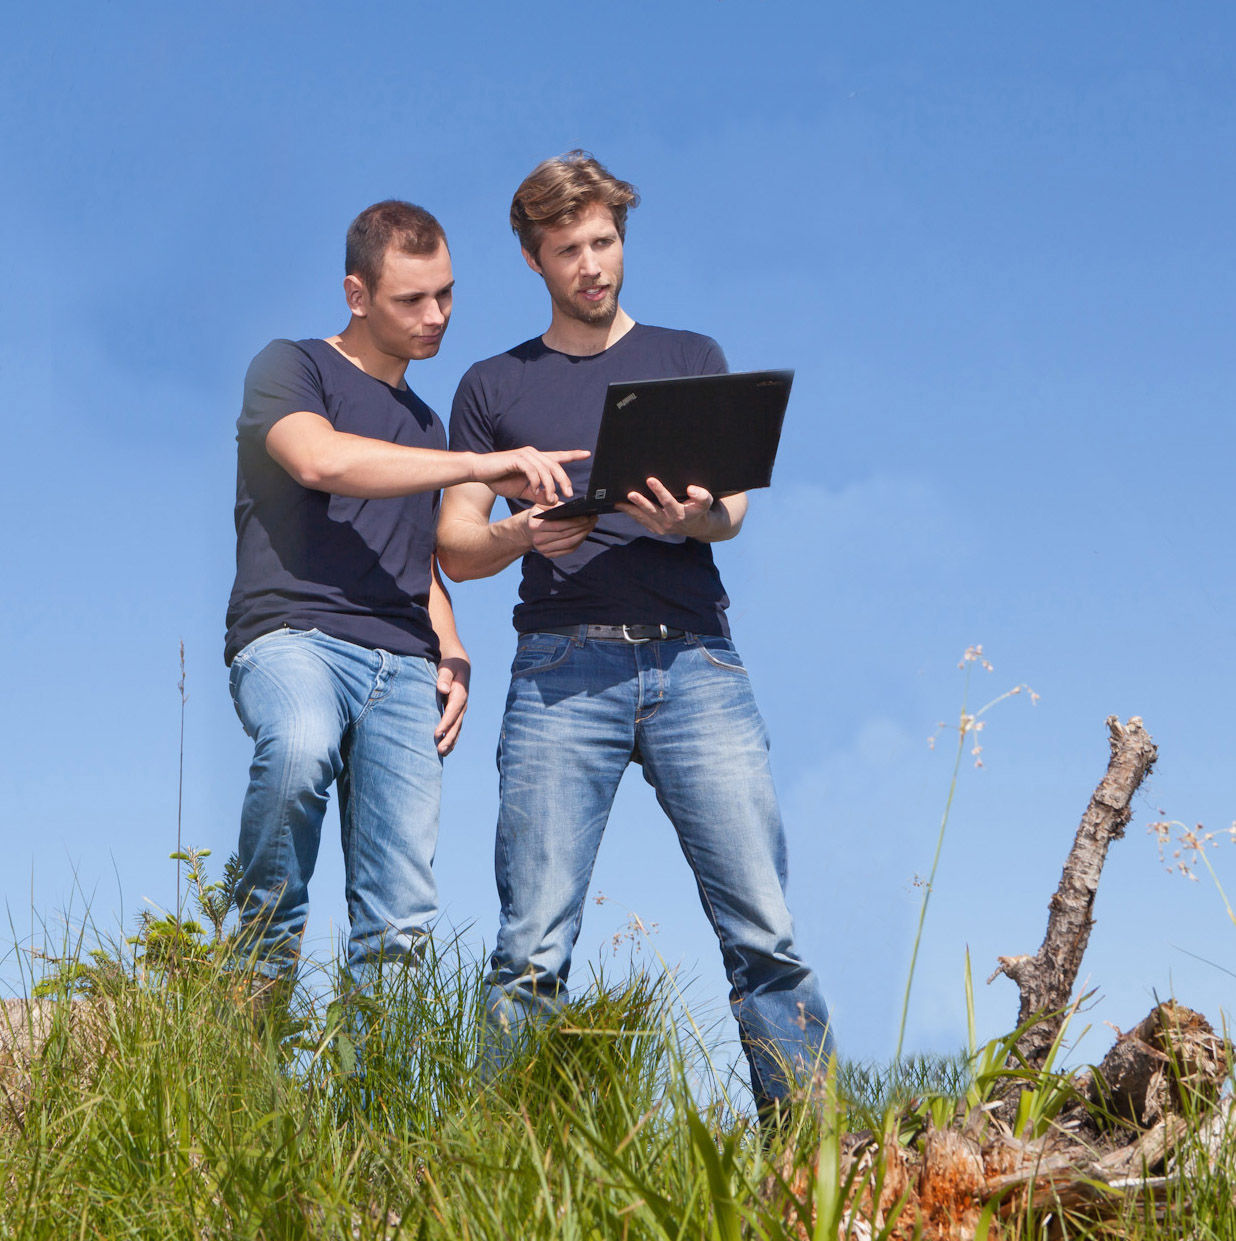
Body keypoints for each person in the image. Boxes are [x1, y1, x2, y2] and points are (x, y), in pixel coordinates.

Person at [437, 153, 834, 1113]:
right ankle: (499, 1174)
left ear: (622, 237)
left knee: (765, 935)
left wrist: (685, 517)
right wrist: (521, 531)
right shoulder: (493, 385)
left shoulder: (689, 354)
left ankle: (824, 1172)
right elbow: (453, 544)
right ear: (533, 260)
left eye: (605, 241)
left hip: (696, 659)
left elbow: (730, 511)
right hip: (560, 669)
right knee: (530, 948)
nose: (592, 265)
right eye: (568, 249)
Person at [224, 200, 585, 988]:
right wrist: (479, 466)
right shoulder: (292, 368)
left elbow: (413, 560)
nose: (436, 317)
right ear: (357, 295)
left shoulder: (426, 428)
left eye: (447, 294)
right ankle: (246, 1010)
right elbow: (321, 461)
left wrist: (452, 648)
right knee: (299, 745)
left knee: (400, 914)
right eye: (411, 300)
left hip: (404, 666)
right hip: (295, 637)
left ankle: (370, 1106)